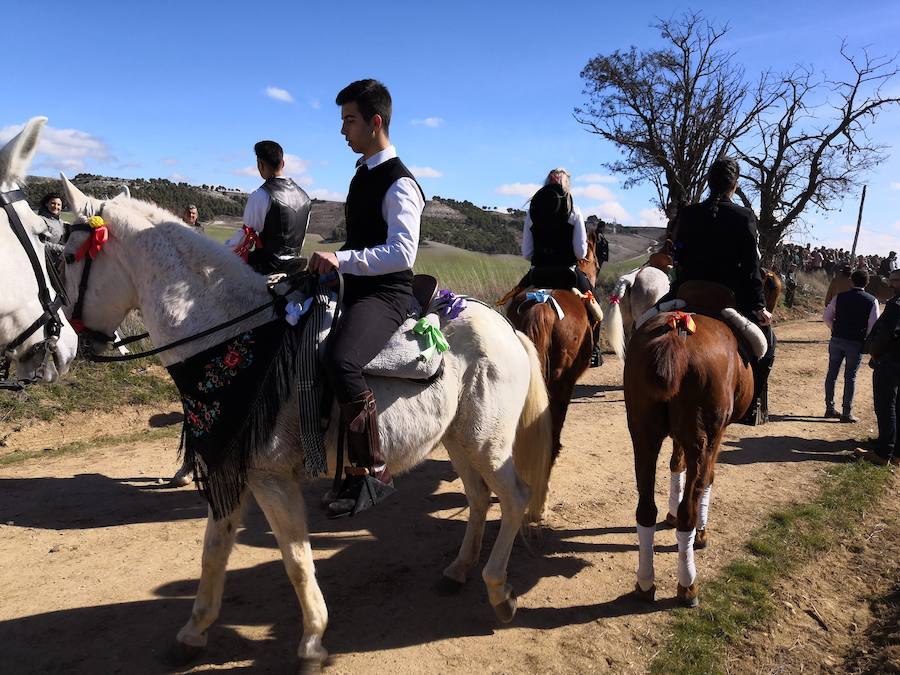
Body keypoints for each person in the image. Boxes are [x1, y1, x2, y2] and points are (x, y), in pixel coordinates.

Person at [307, 79, 425, 517]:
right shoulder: (363, 173)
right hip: (355, 285)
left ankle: (373, 470)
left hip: (387, 294)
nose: (343, 131)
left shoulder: (400, 184)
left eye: (349, 121)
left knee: (342, 361)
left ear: (375, 122)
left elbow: (402, 252)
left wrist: (343, 259)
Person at [669, 157, 774, 425]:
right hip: (729, 298)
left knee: (643, 324)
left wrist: (679, 284)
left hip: (687, 293)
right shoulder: (743, 216)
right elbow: (752, 266)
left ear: (707, 182)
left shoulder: (688, 214)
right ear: (734, 185)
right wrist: (759, 305)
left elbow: (677, 254)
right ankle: (751, 406)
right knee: (768, 344)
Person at [519, 168, 603, 366]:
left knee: (510, 302)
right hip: (568, 275)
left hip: (537, 274)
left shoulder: (532, 210)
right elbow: (581, 252)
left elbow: (527, 253)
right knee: (595, 308)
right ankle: (594, 350)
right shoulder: (574, 209)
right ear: (567, 184)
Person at [226, 141, 311, 276]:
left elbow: (246, 235)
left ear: (260, 165)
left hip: (267, 266)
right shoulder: (306, 197)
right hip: (295, 266)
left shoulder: (261, 195)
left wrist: (224, 250)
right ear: (282, 163)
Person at [822, 269, 879, 422]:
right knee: (850, 377)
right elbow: (873, 326)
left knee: (832, 374)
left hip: (837, 339)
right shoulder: (872, 300)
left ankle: (829, 408)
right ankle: (846, 412)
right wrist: (865, 338)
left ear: (851, 281)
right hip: (856, 342)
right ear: (867, 282)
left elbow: (826, 318)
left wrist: (835, 329)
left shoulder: (839, 297)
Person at [856, 269, 900, 466]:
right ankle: (893, 448)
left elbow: (884, 335)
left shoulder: (895, 305)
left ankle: (883, 453)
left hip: (890, 361)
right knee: (896, 404)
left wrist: (874, 353)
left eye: (893, 281)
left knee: (885, 406)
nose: (889, 284)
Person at [36, 191, 67, 259]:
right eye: (53, 203)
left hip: (57, 259)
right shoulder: (40, 220)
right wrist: (62, 249)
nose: (56, 206)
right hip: (43, 259)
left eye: (58, 204)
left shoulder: (61, 222)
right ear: (46, 204)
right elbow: (40, 243)